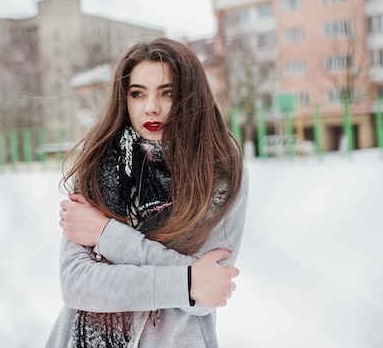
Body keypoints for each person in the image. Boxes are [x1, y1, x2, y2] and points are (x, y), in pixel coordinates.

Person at [46, 37, 248, 348]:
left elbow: (210, 290)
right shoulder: (99, 165)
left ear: (190, 97)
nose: (151, 108)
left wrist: (105, 233)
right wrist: (186, 281)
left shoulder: (219, 172)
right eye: (137, 94)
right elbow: (78, 285)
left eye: (167, 93)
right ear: (124, 99)